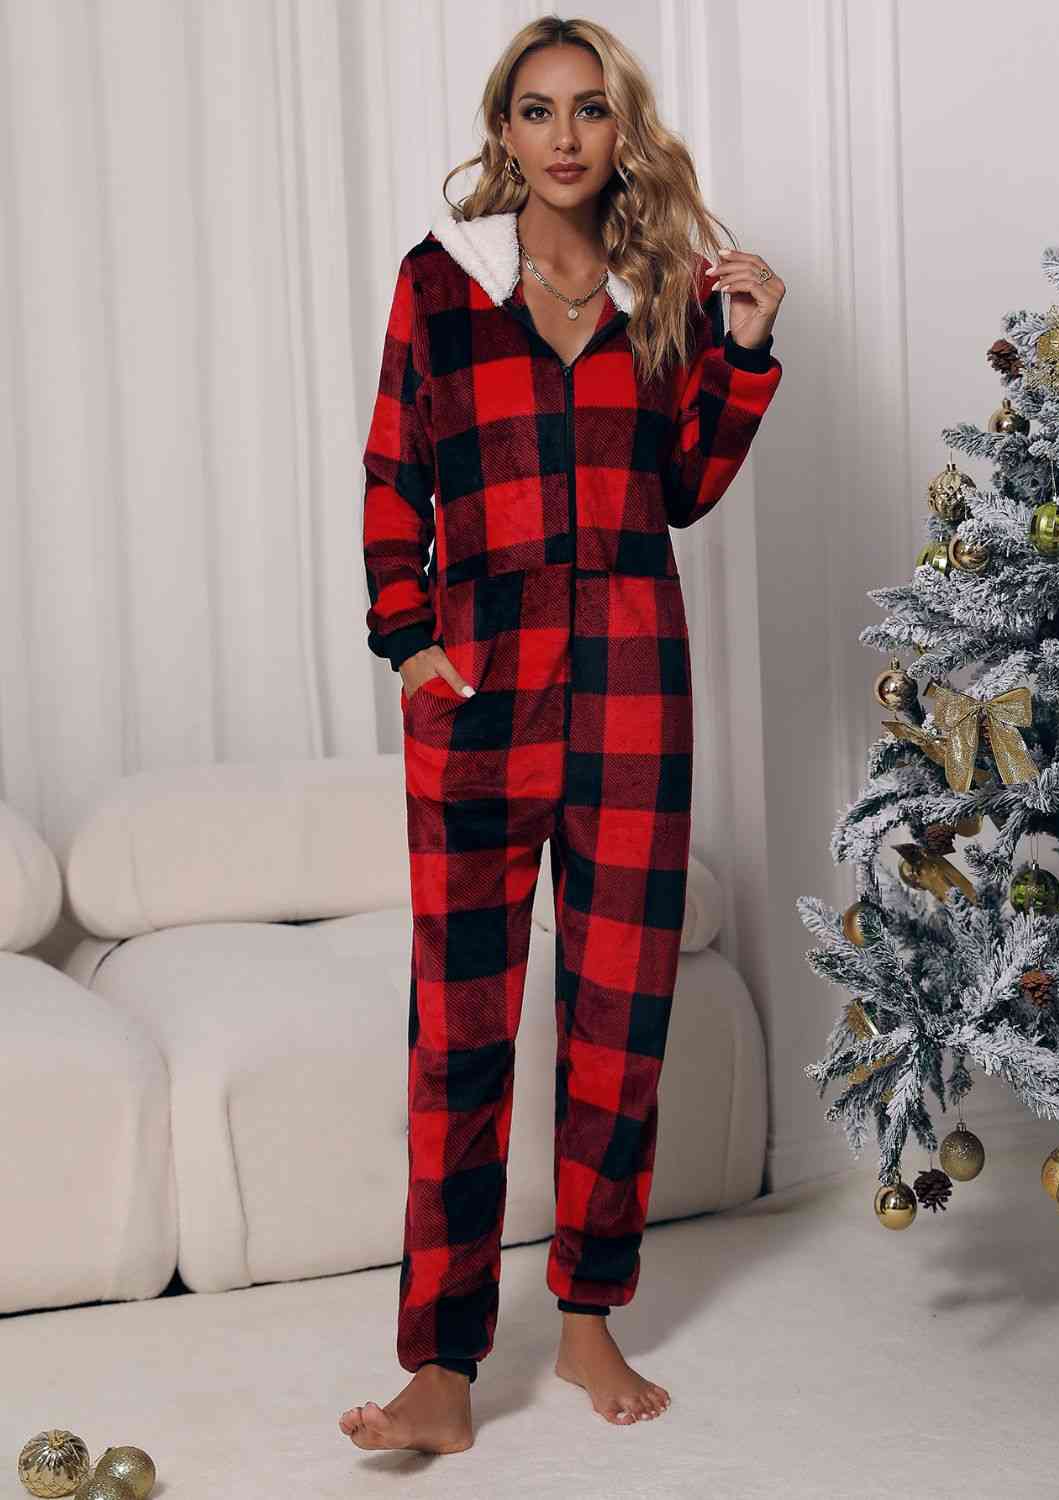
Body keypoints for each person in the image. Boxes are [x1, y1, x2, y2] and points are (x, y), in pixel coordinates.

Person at [340, 12, 784, 1455]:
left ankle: (589, 1315)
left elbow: (683, 486)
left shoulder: (663, 290)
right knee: (459, 1028)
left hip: (633, 683)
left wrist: (741, 349)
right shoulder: (441, 281)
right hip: (480, 689)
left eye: (590, 108)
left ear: (619, 128)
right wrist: (409, 641)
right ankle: (442, 1362)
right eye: (537, 110)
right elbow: (393, 470)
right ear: (503, 131)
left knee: (618, 1012)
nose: (565, 135)